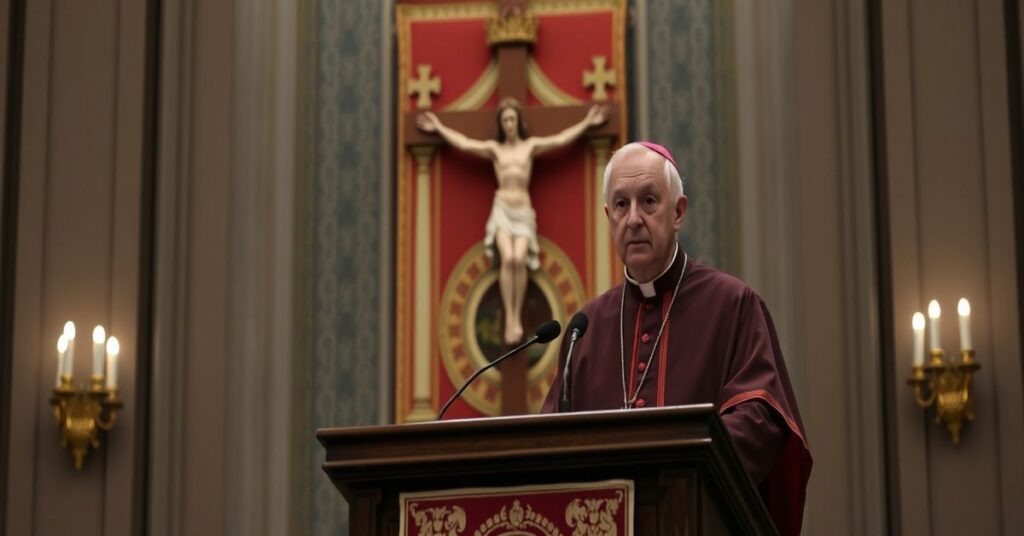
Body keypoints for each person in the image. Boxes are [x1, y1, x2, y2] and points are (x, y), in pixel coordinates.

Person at [541, 141, 812, 535]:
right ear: (608, 216)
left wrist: (682, 463)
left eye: (648, 201)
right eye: (620, 205)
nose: (633, 219)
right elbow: (551, 442)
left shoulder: (732, 304)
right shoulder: (588, 326)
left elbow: (761, 420)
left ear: (678, 212)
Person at [417, 99, 607, 345]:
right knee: (508, 259)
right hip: (503, 210)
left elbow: (560, 139)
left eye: (512, 119)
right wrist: (438, 127)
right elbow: (464, 143)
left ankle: (517, 314)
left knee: (519, 260)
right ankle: (512, 319)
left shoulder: (529, 147)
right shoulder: (496, 150)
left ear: (518, 122)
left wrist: (587, 123)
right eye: (505, 120)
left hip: (523, 212)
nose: (508, 124)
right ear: (501, 123)